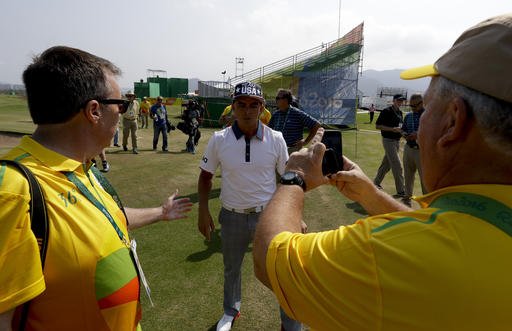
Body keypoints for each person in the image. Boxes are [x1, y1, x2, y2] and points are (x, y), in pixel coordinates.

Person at [253, 14, 512, 330]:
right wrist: (373, 196)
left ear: (452, 122)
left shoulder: (385, 256)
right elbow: (442, 230)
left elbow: (271, 260)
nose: (419, 117)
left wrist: (294, 175)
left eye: (427, 108)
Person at [0, 46, 193, 330]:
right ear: (94, 111)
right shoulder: (12, 189)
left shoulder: (80, 166)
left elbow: (103, 217)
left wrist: (159, 212)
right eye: (120, 105)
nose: (122, 113)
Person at [198, 82, 302, 331]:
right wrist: (203, 212)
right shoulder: (219, 139)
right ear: (233, 107)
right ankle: (230, 311)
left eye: (253, 105)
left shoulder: (275, 139)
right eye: (241, 104)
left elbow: (288, 180)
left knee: (280, 270)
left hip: (268, 217)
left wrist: (294, 215)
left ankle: (289, 322)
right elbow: (205, 177)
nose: (247, 110)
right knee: (231, 268)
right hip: (232, 216)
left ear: (262, 108)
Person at [268, 88, 321, 154]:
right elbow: (269, 130)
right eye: (276, 98)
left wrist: (305, 141)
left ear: (286, 100)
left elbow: (316, 125)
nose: (276, 100)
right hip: (277, 149)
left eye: (278, 98)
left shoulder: (297, 113)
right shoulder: (276, 114)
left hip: (293, 150)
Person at [373, 93, 406, 196]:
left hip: (396, 142)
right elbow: (378, 126)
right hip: (388, 141)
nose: (400, 102)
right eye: (398, 100)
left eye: (402, 101)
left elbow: (401, 128)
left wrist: (405, 135)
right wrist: (392, 129)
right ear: (394, 100)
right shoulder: (386, 111)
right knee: (397, 165)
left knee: (386, 165)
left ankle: (375, 183)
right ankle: (401, 191)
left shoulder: (400, 113)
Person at [401, 93, 426, 206]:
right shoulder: (408, 116)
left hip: (422, 151)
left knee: (424, 178)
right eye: (411, 106)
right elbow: (403, 129)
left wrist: (419, 134)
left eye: (415, 106)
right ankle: (407, 198)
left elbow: (434, 133)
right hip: (408, 148)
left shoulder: (429, 115)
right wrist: (404, 134)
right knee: (408, 174)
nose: (413, 108)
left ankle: (427, 202)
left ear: (422, 103)